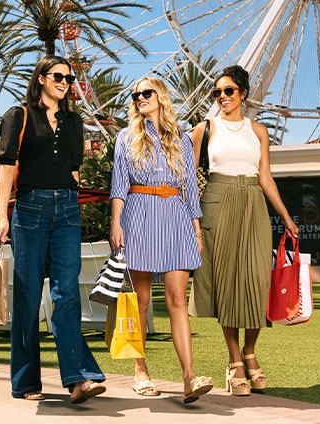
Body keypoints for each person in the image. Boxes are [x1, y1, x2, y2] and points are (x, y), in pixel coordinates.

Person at [0, 54, 106, 403]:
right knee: (27, 296)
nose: (65, 82)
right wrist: (2, 216)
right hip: (29, 208)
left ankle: (78, 380)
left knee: (67, 293)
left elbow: (74, 171)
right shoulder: (20, 116)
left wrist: (74, 208)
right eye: (58, 76)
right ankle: (26, 382)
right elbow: (7, 170)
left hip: (67, 210)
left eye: (70, 79)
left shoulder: (74, 123)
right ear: (41, 78)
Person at [188, 65, 298, 396]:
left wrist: (286, 216)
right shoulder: (203, 129)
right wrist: (194, 223)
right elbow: (189, 181)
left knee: (256, 280)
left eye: (228, 91)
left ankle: (251, 351)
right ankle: (236, 361)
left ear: (243, 94)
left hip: (253, 204)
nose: (222, 97)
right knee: (226, 282)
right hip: (217, 204)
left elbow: (265, 176)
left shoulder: (259, 131)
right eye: (216, 93)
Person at [110, 77, 213, 403]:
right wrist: (116, 223)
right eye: (135, 94)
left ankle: (189, 378)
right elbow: (118, 185)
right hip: (138, 217)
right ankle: (140, 371)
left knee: (177, 301)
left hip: (176, 218)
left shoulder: (181, 140)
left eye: (146, 92)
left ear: (161, 97)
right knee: (140, 301)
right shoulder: (125, 138)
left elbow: (190, 189)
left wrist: (196, 230)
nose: (139, 97)